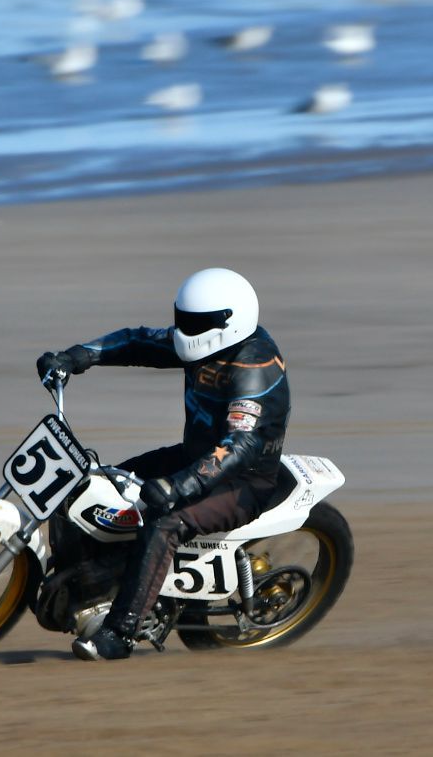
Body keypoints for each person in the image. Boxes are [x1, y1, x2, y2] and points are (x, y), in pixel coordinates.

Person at [36, 268, 290, 661]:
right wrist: (77, 356)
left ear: (228, 322)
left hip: (242, 482)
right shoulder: (203, 341)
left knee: (165, 523)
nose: (185, 330)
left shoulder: (254, 369)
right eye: (183, 320)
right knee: (94, 485)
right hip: (194, 457)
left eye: (196, 323)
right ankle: (86, 580)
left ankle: (121, 633)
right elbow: (139, 341)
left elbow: (240, 445)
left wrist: (180, 487)